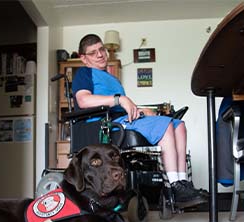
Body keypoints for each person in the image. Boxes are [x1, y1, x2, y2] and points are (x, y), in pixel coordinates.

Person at [72, 33, 208, 208]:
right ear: (83, 58)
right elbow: (83, 100)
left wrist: (141, 110)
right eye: (93, 53)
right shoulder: (84, 73)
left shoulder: (112, 78)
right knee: (164, 125)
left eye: (101, 49)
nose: (100, 54)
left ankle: (183, 183)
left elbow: (122, 105)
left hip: (120, 118)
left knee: (178, 125)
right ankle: (173, 186)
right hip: (104, 125)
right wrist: (119, 99)